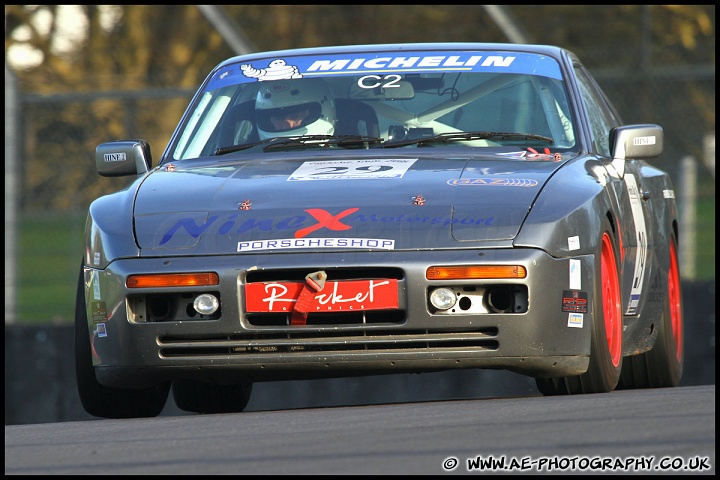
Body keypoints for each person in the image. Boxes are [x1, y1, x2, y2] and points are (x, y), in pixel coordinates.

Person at [254, 77, 337, 140]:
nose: (286, 125)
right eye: (278, 118)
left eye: (294, 117)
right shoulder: (252, 156)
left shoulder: (339, 158)